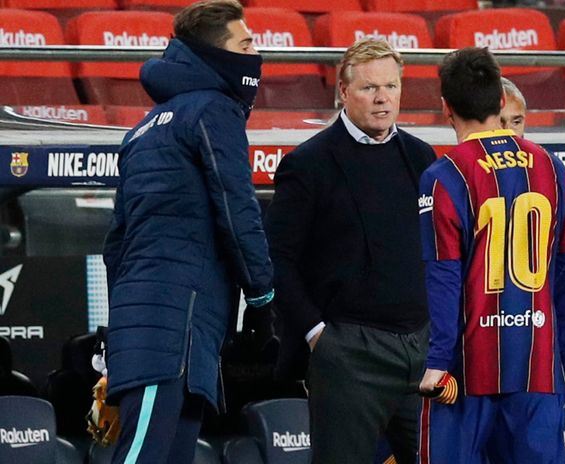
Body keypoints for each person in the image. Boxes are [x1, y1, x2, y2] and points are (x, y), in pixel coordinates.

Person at [102, 1, 274, 462]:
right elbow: (238, 211)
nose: (256, 52)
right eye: (246, 43)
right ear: (218, 55)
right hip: (176, 327)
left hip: (159, 326)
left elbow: (115, 246)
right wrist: (261, 299)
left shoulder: (142, 129)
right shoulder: (214, 111)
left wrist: (125, 328)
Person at [264, 38, 436, 464]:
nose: (383, 99)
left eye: (391, 87)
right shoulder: (309, 163)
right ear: (343, 92)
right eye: (369, 88)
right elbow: (276, 259)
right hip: (348, 355)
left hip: (422, 349)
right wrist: (317, 335)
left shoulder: (421, 156)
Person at [417, 46, 565, 463]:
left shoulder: (443, 176)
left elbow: (444, 275)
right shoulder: (550, 167)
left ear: (445, 108)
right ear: (499, 101)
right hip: (539, 367)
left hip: (464, 372)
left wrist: (438, 360)